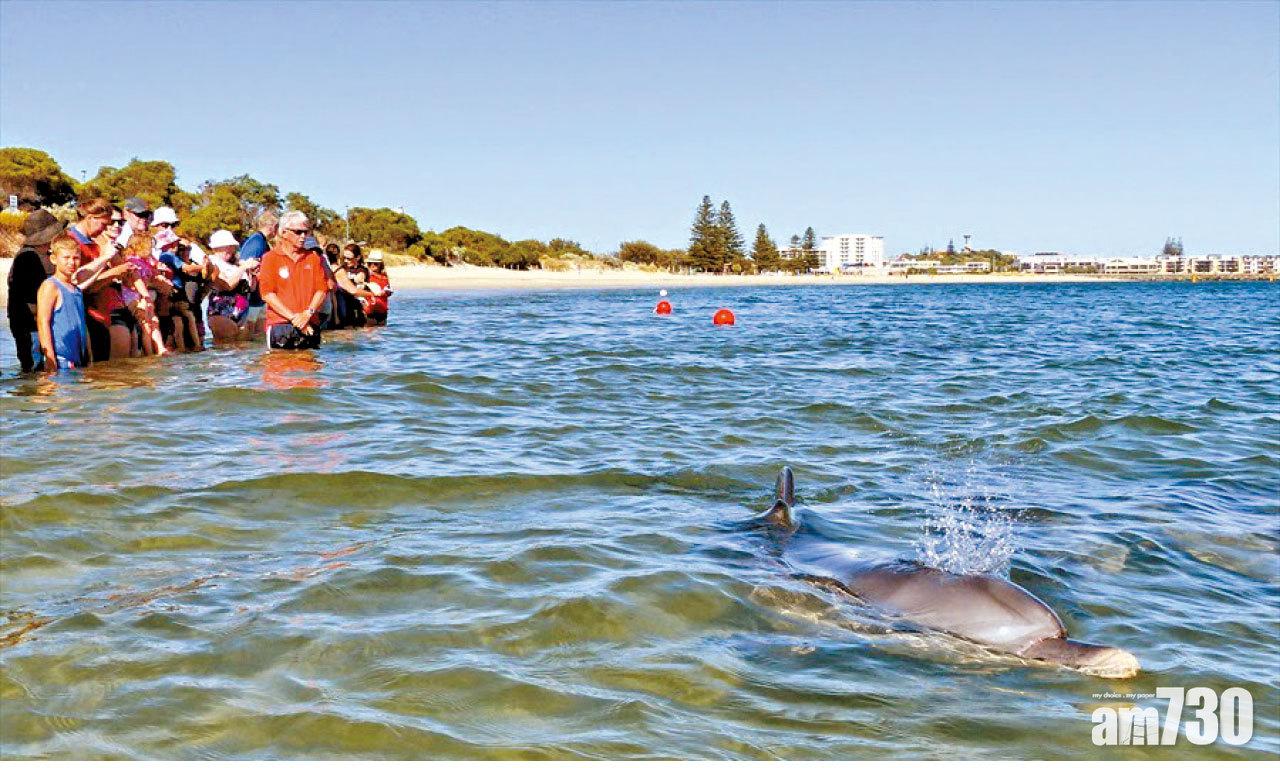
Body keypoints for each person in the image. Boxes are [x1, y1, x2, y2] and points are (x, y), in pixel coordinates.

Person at [257, 211, 328, 350]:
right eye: (298, 232)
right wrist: (295, 318)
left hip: (310, 323)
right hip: (280, 324)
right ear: (283, 232)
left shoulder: (313, 258)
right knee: (279, 368)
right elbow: (267, 294)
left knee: (310, 368)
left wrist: (308, 313)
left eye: (306, 232)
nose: (303, 236)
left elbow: (322, 290)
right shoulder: (270, 258)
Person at [6, 210, 62, 372]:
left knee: (35, 367)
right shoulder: (29, 258)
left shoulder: (33, 255)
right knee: (35, 368)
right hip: (30, 324)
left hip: (30, 322)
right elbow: (32, 294)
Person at [34, 234, 91, 371]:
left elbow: (82, 325)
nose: (72, 262)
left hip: (77, 360)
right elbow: (43, 322)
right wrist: (50, 360)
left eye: (76, 258)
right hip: (60, 359)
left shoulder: (77, 290)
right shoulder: (50, 286)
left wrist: (90, 357)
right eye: (66, 258)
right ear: (54, 259)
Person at [204, 229, 260, 343]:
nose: (229, 249)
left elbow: (251, 289)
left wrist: (253, 274)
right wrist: (243, 268)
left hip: (241, 316)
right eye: (225, 246)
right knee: (225, 348)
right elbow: (227, 285)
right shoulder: (213, 263)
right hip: (220, 313)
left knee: (241, 352)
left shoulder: (235, 265)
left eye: (231, 246)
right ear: (215, 248)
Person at [238, 210, 277, 337]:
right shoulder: (257, 242)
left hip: (259, 295)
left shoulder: (260, 240)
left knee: (259, 332)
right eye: (276, 227)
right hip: (253, 295)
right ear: (271, 226)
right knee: (250, 329)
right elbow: (248, 265)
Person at [333, 244, 375, 328]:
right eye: (344, 257)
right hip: (342, 307)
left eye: (349, 258)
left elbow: (360, 279)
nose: (345, 260)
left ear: (358, 257)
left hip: (355, 307)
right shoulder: (342, 268)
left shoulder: (362, 270)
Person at [363, 253, 392, 325]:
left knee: (381, 334)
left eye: (375, 263)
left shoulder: (384, 277)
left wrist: (384, 292)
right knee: (369, 333)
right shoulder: (366, 275)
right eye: (370, 263)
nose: (372, 265)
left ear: (380, 265)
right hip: (369, 310)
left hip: (382, 310)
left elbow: (389, 291)